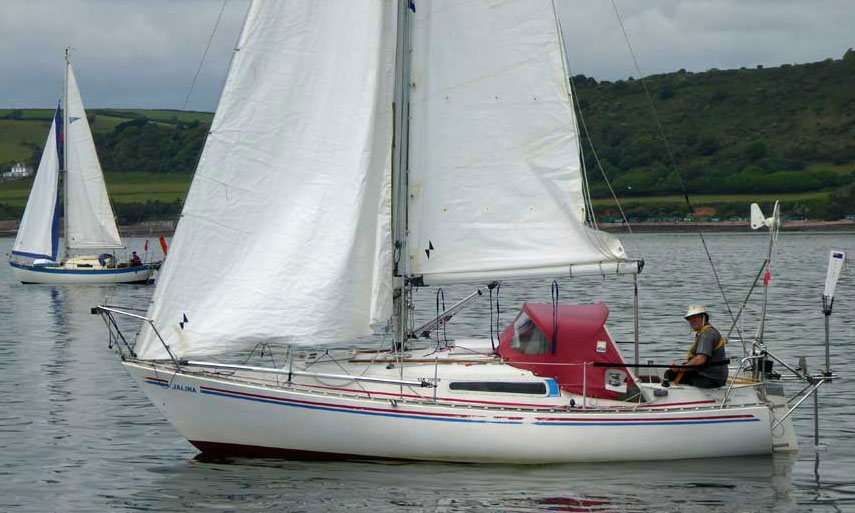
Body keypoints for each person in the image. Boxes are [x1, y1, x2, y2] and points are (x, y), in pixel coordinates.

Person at [663, 304, 727, 388]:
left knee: (669, 374)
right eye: (690, 318)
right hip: (711, 375)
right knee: (672, 373)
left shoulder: (707, 334)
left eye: (695, 317)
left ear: (704, 317)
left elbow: (700, 359)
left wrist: (680, 369)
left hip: (710, 379)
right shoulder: (705, 332)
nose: (692, 321)